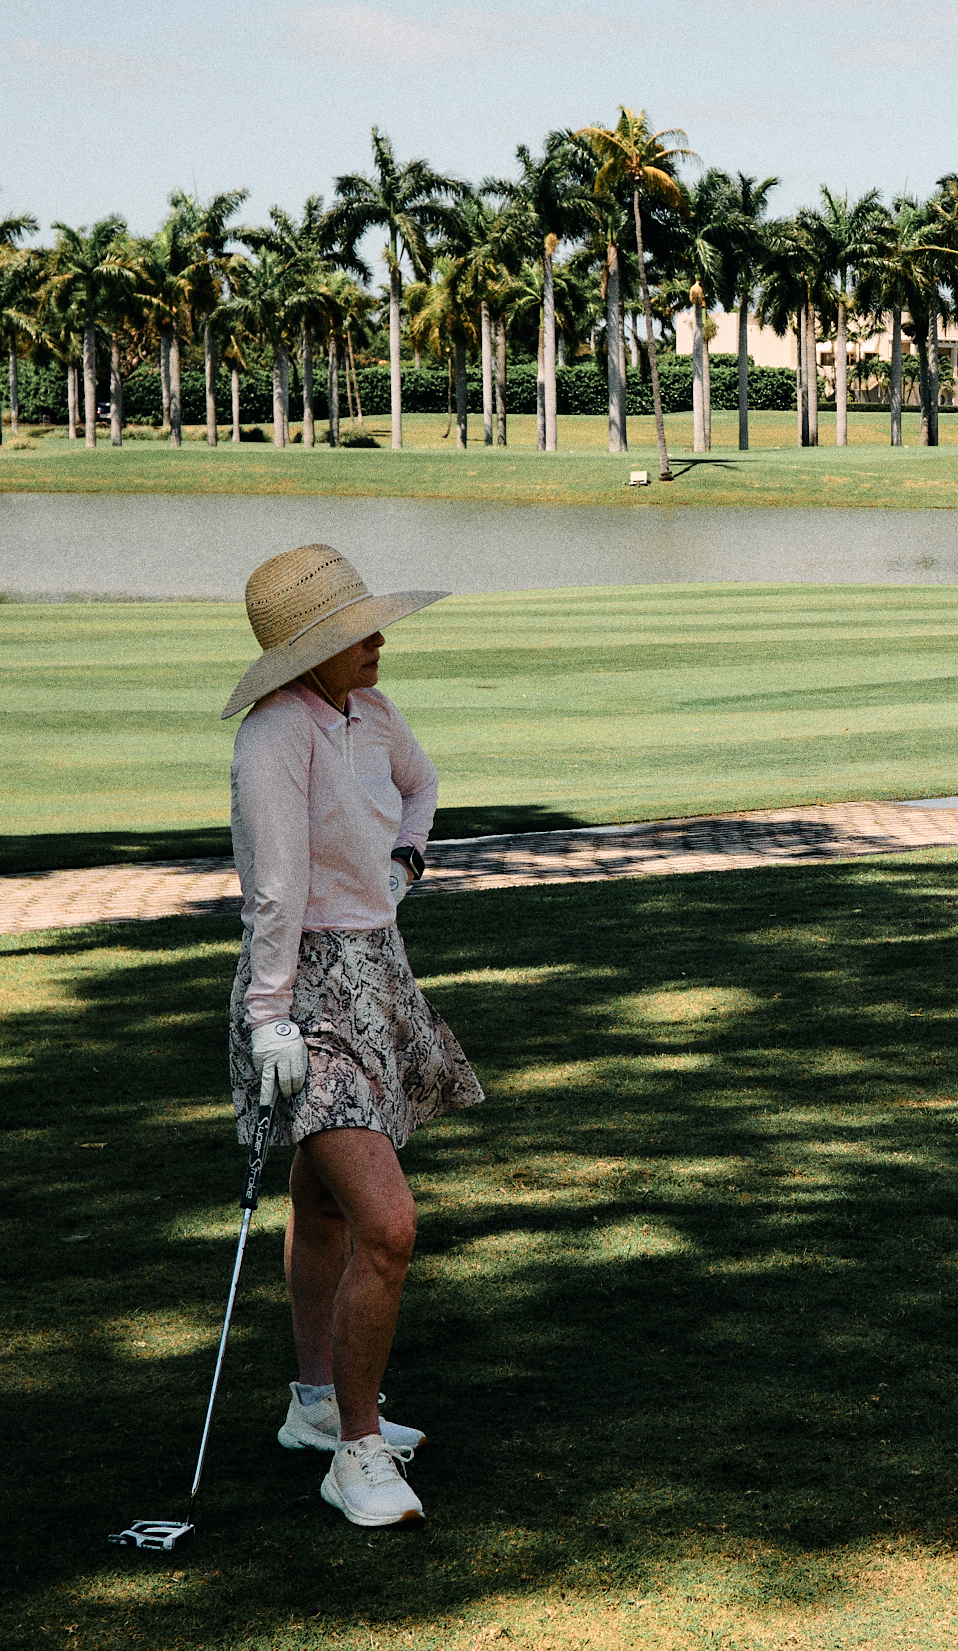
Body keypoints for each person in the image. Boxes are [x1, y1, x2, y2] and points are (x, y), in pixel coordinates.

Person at [221, 544, 483, 1529]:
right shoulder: (274, 736)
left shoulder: (370, 711)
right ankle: (356, 1451)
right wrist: (268, 1020)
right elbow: (274, 892)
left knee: (324, 1202)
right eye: (351, 631)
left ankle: (317, 1402)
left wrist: (406, 859)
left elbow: (422, 785)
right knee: (387, 1222)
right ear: (306, 650)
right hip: (302, 996)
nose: (376, 640)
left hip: (380, 973)